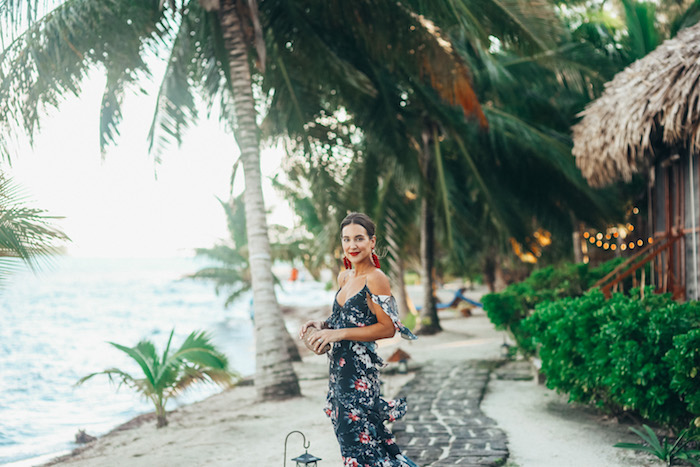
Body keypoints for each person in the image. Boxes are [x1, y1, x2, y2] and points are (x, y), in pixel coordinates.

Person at [299, 212, 419, 467]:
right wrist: (322, 325)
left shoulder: (377, 279)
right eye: (346, 239)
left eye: (359, 238)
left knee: (362, 449)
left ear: (372, 242)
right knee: (361, 446)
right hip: (338, 376)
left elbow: (387, 328)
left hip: (360, 378)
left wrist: (337, 333)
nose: (352, 245)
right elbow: (345, 319)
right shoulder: (345, 277)